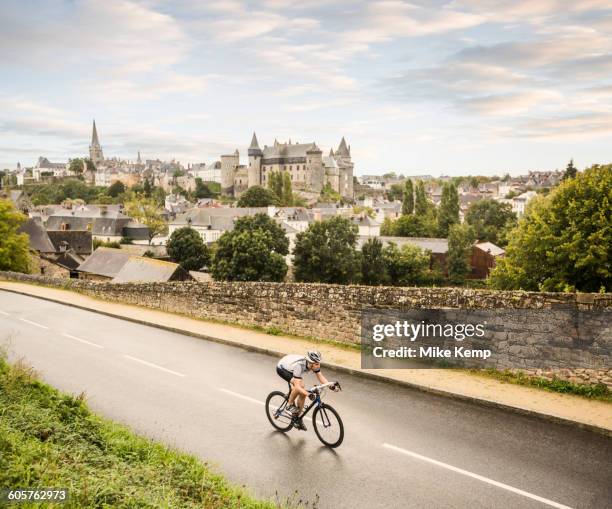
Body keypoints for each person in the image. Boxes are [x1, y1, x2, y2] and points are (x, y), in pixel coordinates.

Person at [276, 350, 334, 430]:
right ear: (310, 363)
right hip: (282, 368)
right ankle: (288, 405)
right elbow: (297, 386)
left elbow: (320, 376)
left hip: (291, 365)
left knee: (303, 393)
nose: (318, 366)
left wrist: (330, 385)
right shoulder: (299, 366)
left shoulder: (313, 364)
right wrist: (309, 394)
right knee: (300, 386)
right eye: (316, 364)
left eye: (319, 363)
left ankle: (297, 419)